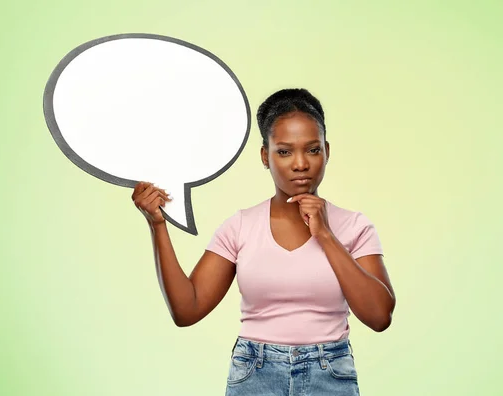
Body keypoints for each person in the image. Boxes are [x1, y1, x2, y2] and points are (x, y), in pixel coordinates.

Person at [131, 88, 396, 395]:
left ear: (326, 150)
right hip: (255, 375)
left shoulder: (354, 226)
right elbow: (187, 310)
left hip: (330, 375)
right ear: (264, 156)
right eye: (284, 151)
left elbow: (379, 317)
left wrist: (325, 234)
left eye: (312, 150)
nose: (300, 164)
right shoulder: (240, 226)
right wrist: (157, 224)